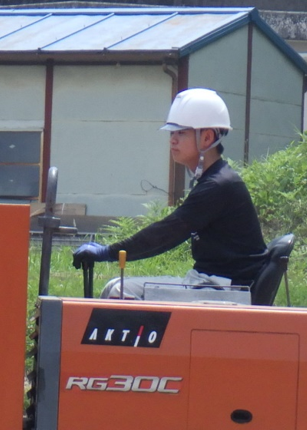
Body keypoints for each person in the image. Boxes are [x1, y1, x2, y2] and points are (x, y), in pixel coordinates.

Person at [72, 88, 267, 299]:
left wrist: (108, 252)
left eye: (181, 132)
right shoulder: (215, 180)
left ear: (207, 137)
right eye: (171, 133)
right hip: (212, 283)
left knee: (120, 291)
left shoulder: (217, 186)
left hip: (226, 289)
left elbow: (165, 234)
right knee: (114, 287)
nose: (172, 140)